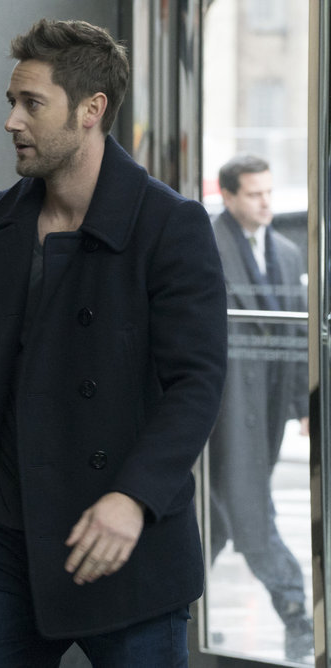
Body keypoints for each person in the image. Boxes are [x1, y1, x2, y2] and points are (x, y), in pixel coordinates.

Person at [0, 19, 227, 666]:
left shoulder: (168, 224)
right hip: (6, 536)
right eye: (12, 101)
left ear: (91, 110)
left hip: (121, 536)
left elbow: (196, 385)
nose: (11, 120)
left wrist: (133, 498)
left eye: (31, 103)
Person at [208, 155, 313, 661]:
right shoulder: (207, 245)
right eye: (254, 194)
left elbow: (297, 331)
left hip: (267, 405)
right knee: (249, 513)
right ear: (228, 197)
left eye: (269, 192)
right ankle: (297, 615)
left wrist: (303, 404)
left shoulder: (288, 253)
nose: (266, 202)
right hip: (225, 410)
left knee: (218, 518)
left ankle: (176, 606)